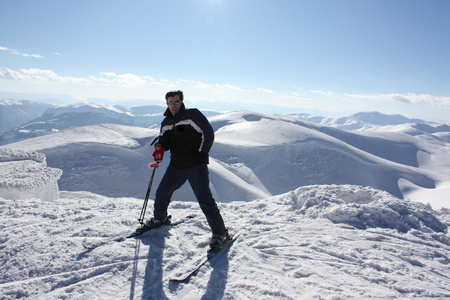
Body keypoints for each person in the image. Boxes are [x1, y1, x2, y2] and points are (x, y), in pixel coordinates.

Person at [148, 90, 229, 248]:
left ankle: (220, 232)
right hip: (176, 165)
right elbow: (165, 142)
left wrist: (202, 154)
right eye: (170, 102)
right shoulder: (166, 122)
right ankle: (160, 218)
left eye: (176, 101)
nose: (173, 105)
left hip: (195, 165)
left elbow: (208, 134)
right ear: (166, 103)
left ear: (182, 101)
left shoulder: (193, 115)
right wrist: (159, 148)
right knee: (162, 192)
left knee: (205, 200)